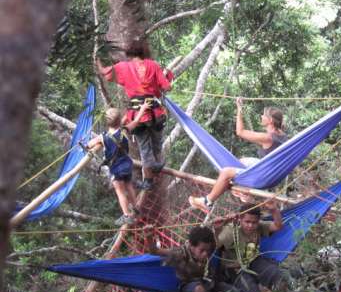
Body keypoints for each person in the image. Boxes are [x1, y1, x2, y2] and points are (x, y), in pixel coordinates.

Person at [96, 40, 173, 190]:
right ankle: (156, 166)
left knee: (144, 149)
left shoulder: (122, 67)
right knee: (157, 144)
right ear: (143, 52)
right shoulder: (153, 65)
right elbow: (166, 87)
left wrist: (97, 61)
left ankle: (148, 180)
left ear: (129, 53)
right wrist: (165, 80)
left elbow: (106, 73)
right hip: (155, 113)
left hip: (137, 115)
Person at [189, 97, 288, 213]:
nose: (261, 117)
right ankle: (243, 191)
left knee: (226, 172)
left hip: (265, 174)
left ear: (270, 120)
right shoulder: (282, 135)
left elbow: (240, 132)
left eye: (263, 115)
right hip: (271, 170)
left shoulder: (267, 138)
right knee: (241, 161)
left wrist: (239, 108)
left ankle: (207, 201)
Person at [214, 200, 287, 292]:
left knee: (278, 276)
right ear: (240, 219)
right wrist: (217, 230)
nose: (251, 226)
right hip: (235, 269)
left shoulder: (259, 226)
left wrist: (274, 210)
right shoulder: (231, 231)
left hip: (254, 261)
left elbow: (278, 226)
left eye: (254, 222)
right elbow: (215, 246)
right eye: (247, 222)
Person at [87, 103, 150, 225]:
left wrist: (87, 144)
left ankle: (127, 215)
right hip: (127, 165)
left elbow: (90, 144)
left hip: (116, 169)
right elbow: (136, 121)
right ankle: (135, 207)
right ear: (119, 121)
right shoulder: (124, 131)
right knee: (129, 185)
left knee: (120, 192)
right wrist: (142, 108)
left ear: (107, 122)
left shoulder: (103, 137)